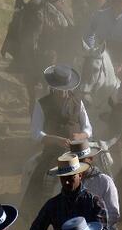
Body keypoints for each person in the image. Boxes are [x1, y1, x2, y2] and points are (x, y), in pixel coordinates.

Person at [25, 65, 92, 216]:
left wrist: (80, 136)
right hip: (54, 151)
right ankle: (34, 212)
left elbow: (88, 128)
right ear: (52, 87)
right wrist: (55, 140)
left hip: (79, 149)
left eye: (65, 90)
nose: (63, 94)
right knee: (41, 176)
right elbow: (36, 133)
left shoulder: (78, 102)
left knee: (101, 169)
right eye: (59, 90)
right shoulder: (42, 104)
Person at [63, 139, 122, 230]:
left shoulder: (104, 181)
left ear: (90, 159)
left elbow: (114, 213)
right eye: (76, 160)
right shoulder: (68, 182)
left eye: (82, 160)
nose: (79, 163)